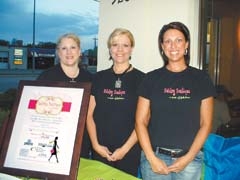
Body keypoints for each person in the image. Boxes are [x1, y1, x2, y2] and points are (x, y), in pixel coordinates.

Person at [135, 21, 216, 180]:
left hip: (190, 159)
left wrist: (189, 157)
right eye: (168, 41)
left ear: (186, 44)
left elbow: (206, 123)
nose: (173, 46)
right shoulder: (150, 79)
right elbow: (140, 121)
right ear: (162, 46)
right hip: (154, 158)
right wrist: (151, 158)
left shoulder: (201, 79)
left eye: (178, 40)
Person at [86, 28, 145, 176]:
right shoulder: (98, 78)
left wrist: (124, 149)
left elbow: (144, 120)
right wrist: (95, 145)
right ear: (109, 48)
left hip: (130, 150)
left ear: (131, 49)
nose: (120, 50)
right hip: (100, 149)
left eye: (125, 45)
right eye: (115, 45)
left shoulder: (143, 80)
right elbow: (88, 115)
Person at [37, 33, 93, 158]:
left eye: (73, 47)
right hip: (54, 138)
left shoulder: (90, 78)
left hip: (82, 140)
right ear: (58, 52)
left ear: (79, 51)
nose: (69, 52)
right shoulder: (47, 77)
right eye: (64, 48)